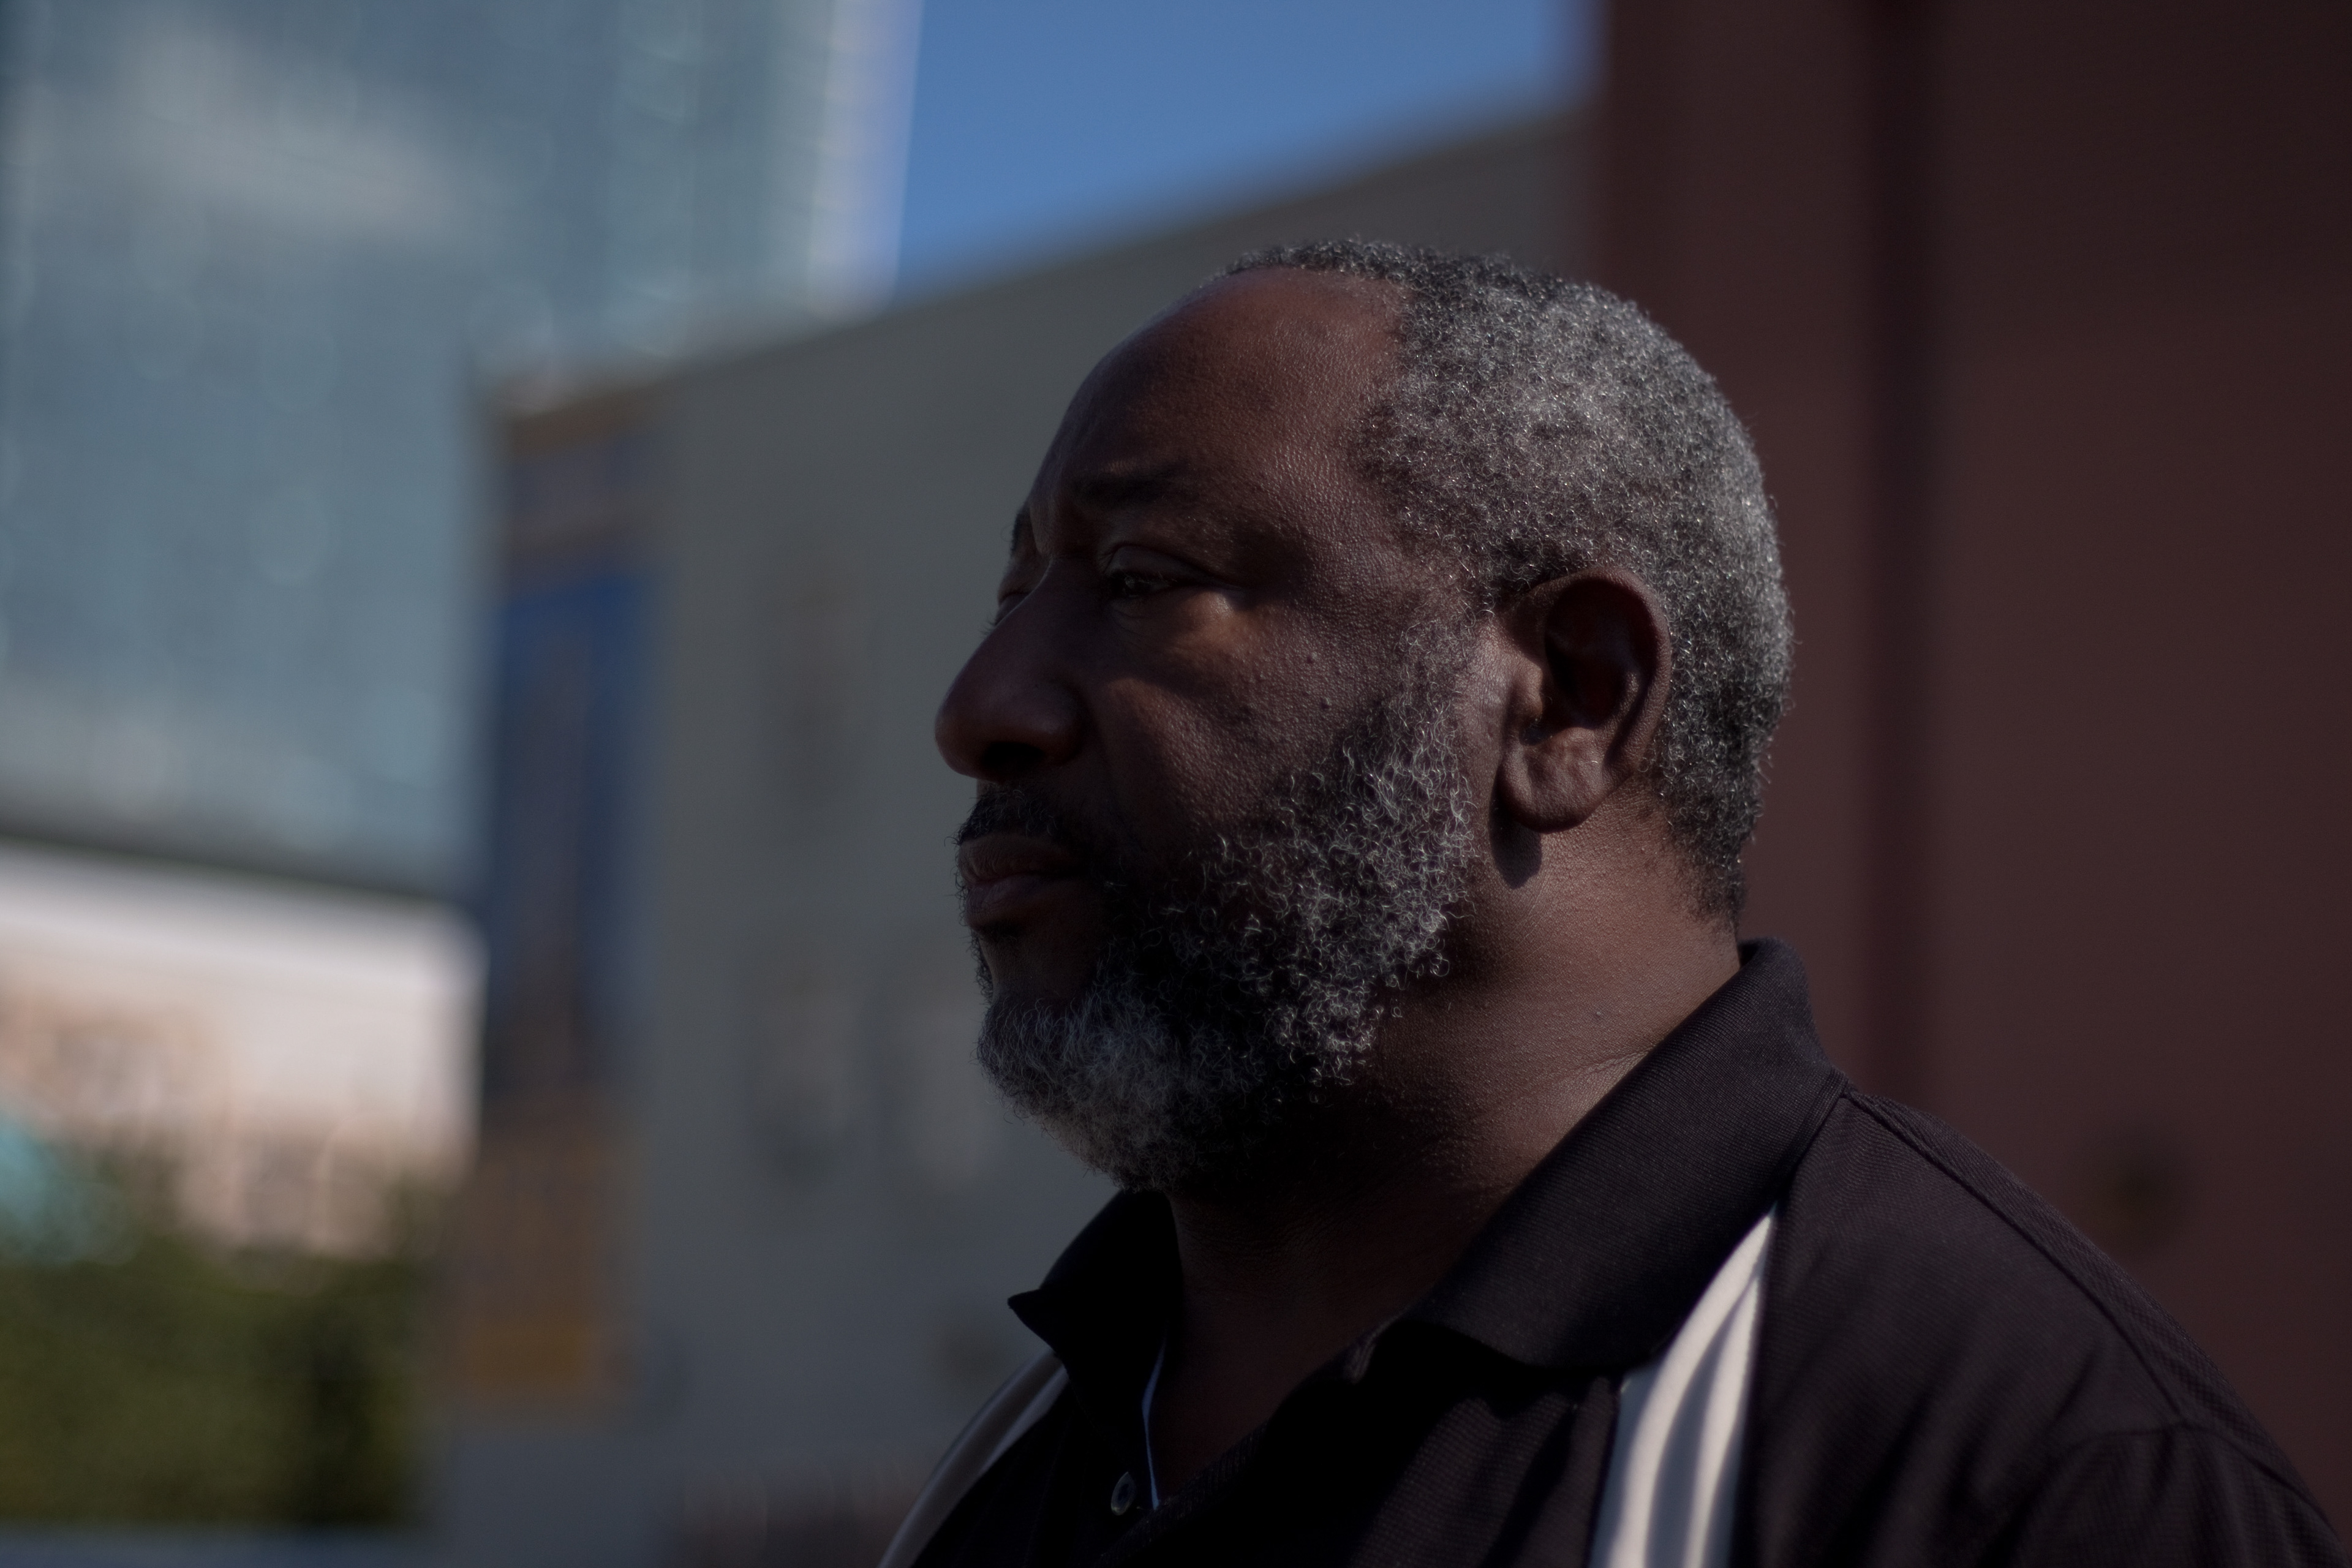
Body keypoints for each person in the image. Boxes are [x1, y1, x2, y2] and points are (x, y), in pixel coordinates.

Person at [888, 242, 2345, 1567]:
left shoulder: (2028, 1481)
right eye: (1010, 598)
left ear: (1570, 697)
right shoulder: (997, 1475)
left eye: (1145, 578)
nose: (979, 709)